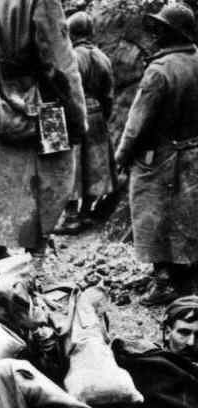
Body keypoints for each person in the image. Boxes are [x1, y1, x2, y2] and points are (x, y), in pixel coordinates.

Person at [0, 0, 87, 255]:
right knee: (54, 175)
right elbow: (58, 60)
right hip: (41, 99)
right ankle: (35, 258)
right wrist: (76, 117)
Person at [115, 4, 198, 306]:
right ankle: (186, 274)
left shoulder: (159, 71)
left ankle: (163, 280)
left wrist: (121, 158)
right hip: (193, 152)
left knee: (154, 216)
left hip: (157, 158)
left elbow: (136, 126)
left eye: (160, 28)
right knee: (187, 216)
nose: (155, 34)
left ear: (169, 32)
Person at [55, 11, 116, 235]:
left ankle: (71, 217)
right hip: (98, 113)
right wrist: (104, 115)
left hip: (76, 114)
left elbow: (66, 91)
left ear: (71, 32)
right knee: (95, 165)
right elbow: (109, 94)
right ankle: (86, 213)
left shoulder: (70, 57)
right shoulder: (103, 58)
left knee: (72, 165)